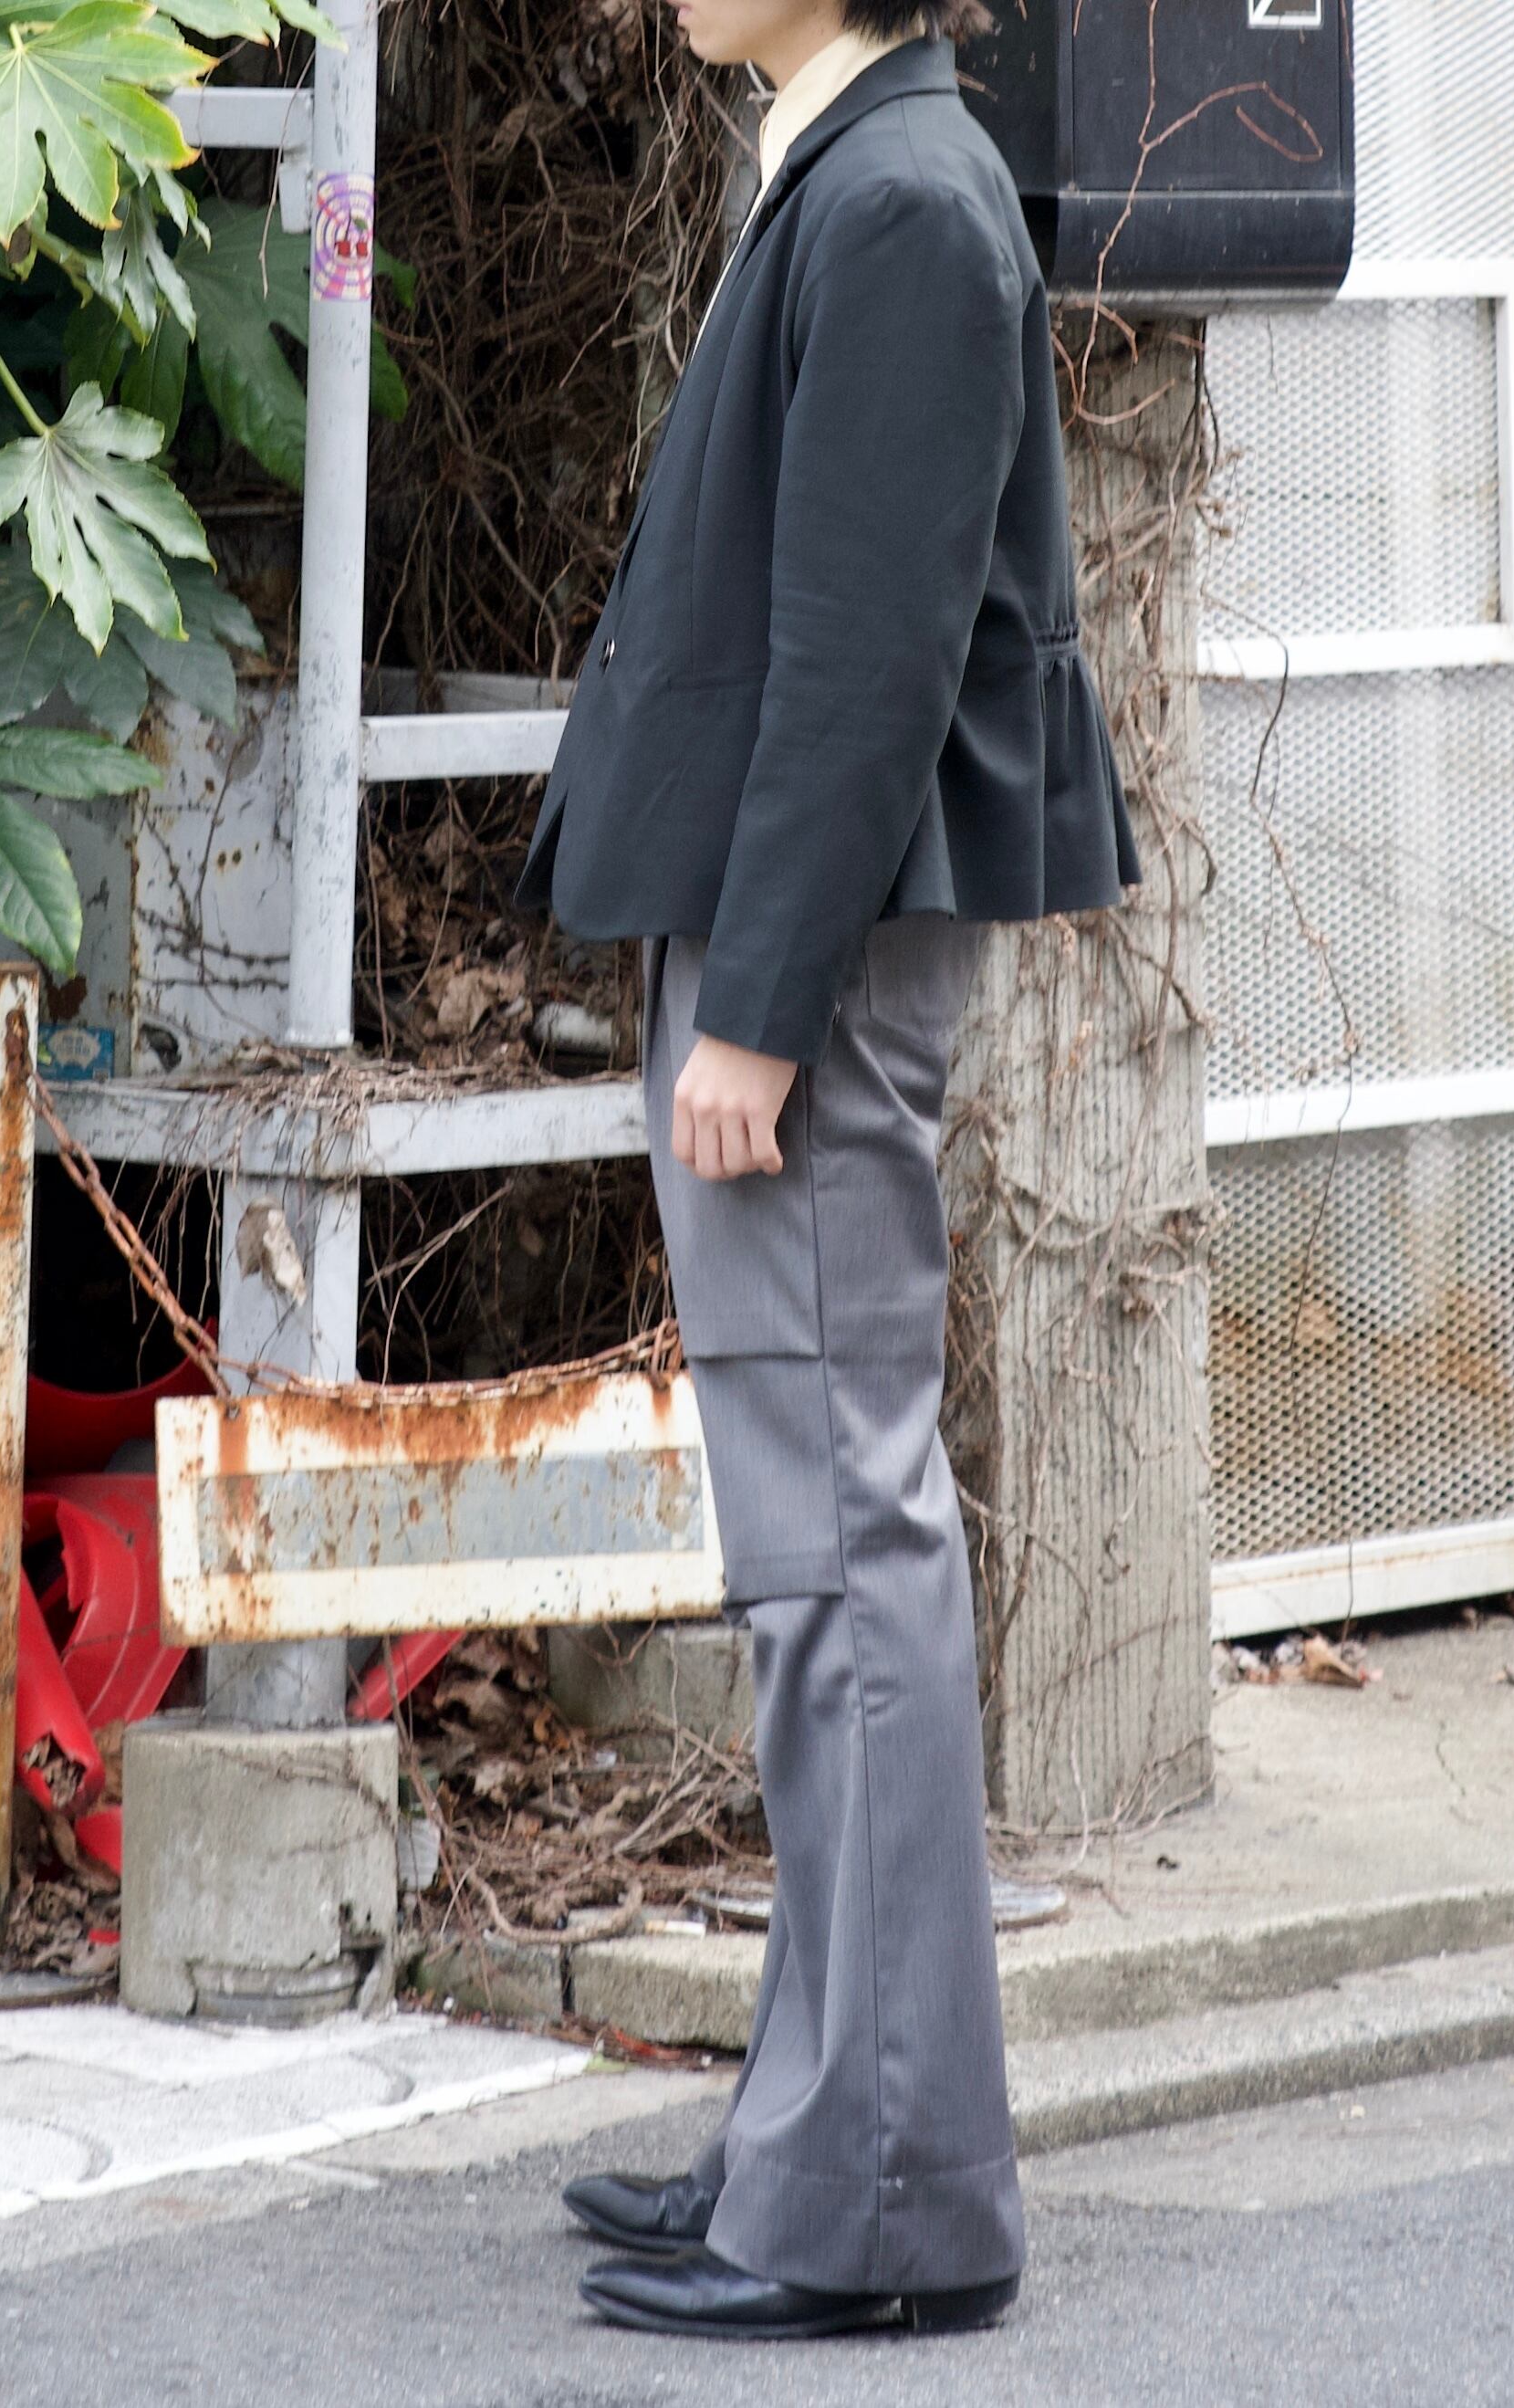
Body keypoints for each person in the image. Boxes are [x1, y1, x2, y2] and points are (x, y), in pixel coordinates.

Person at [511, 0, 1138, 2344]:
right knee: (818, 1566)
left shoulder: (900, 199)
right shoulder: (862, 168)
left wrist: (755, 1005)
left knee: (843, 1558)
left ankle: (879, 2190)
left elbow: (866, 658)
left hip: (820, 963)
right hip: (801, 941)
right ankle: (817, 2131)